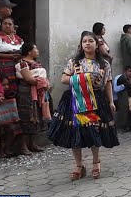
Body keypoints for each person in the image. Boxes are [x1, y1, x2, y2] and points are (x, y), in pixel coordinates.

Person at [47, 31, 119, 181]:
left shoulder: (104, 64)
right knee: (75, 132)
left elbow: (108, 83)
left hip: (96, 101)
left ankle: (96, 162)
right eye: (84, 41)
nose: (87, 43)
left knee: (94, 130)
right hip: (75, 100)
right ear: (81, 45)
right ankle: (79, 165)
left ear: (96, 45)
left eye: (90, 41)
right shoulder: (75, 62)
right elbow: (63, 78)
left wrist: (111, 101)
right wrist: (83, 78)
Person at [15, 43, 48, 155]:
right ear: (29, 51)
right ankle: (23, 146)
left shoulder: (36, 63)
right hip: (26, 92)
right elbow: (29, 79)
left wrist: (42, 82)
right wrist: (43, 82)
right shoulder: (22, 63)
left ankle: (32, 143)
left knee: (36, 115)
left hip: (37, 92)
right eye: (35, 48)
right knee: (27, 116)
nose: (37, 50)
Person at [0, 16, 24, 97]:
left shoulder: (19, 39)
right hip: (1, 67)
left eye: (10, 24)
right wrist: (9, 56)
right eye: (5, 23)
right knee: (3, 87)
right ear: (1, 25)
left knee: (16, 89)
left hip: (16, 67)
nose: (7, 26)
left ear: (14, 26)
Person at [113, 66, 131, 133]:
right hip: (119, 99)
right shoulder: (119, 77)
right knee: (125, 99)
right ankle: (125, 125)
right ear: (125, 71)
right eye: (129, 71)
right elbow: (116, 90)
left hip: (130, 98)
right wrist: (125, 84)